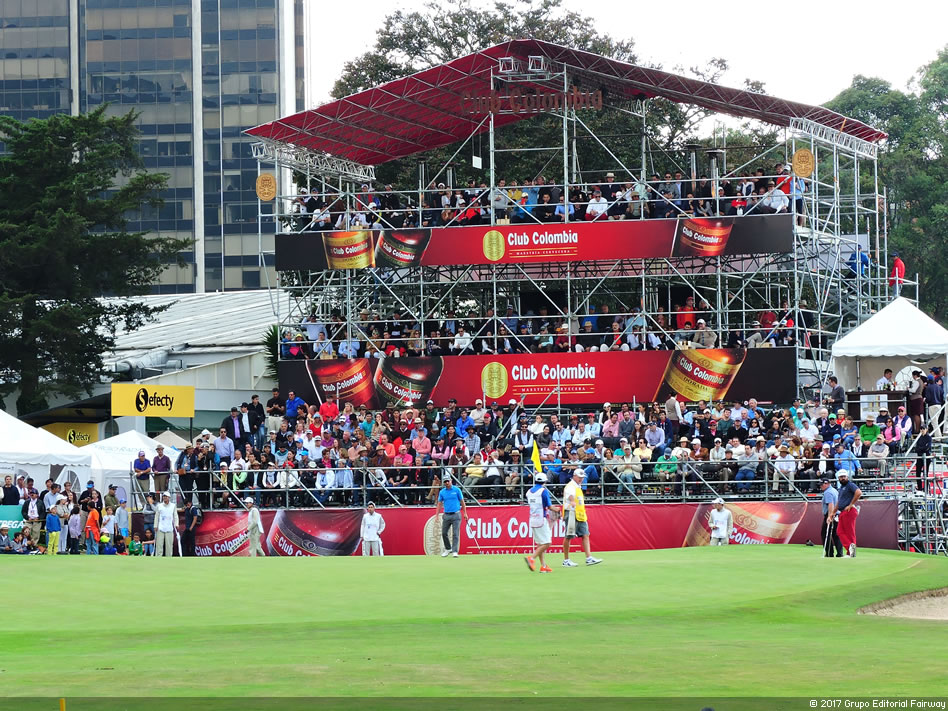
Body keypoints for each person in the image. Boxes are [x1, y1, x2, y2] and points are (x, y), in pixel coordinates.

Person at [562, 468, 602, 567]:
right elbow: (570, 495)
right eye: (579, 477)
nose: (581, 479)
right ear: (574, 476)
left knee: (585, 535)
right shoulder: (571, 486)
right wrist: (572, 501)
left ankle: (589, 558)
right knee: (568, 536)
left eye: (582, 477)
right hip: (571, 513)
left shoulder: (578, 486)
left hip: (580, 514)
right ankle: (566, 560)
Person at [525, 473, 556, 573]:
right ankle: (532, 558)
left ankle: (543, 566)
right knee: (547, 543)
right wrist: (558, 510)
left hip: (533, 518)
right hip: (541, 519)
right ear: (544, 481)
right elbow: (549, 506)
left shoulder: (529, 491)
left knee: (540, 544)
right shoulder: (543, 491)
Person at [435, 473, 467, 557]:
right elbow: (439, 504)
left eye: (448, 481)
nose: (447, 483)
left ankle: (455, 551)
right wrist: (437, 515)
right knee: (444, 533)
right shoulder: (442, 492)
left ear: (451, 481)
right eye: (445, 482)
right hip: (446, 515)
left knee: (455, 533)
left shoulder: (457, 490)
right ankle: (448, 548)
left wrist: (465, 513)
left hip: (456, 514)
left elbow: (462, 502)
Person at [835, 471, 862, 557]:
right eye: (841, 477)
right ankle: (850, 550)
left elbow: (858, 492)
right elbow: (839, 502)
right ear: (838, 478)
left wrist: (851, 504)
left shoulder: (850, 485)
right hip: (843, 511)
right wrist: (833, 512)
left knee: (849, 532)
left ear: (847, 477)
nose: (843, 478)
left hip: (849, 511)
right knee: (840, 531)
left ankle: (850, 551)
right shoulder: (842, 488)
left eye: (844, 476)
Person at [820, 478, 843, 558]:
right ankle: (840, 553)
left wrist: (829, 517)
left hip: (831, 514)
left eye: (822, 484)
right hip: (836, 514)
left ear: (827, 484)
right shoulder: (834, 490)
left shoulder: (828, 492)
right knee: (835, 535)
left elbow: (830, 505)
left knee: (825, 534)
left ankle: (829, 553)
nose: (821, 486)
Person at [154, 492, 177, 558]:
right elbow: (156, 516)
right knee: (159, 545)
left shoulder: (173, 506)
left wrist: (176, 524)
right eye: (164, 496)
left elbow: (175, 516)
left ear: (169, 497)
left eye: (166, 496)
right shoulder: (159, 505)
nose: (165, 497)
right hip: (160, 528)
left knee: (169, 546)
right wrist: (155, 525)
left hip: (169, 528)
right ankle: (158, 558)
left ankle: (169, 558)